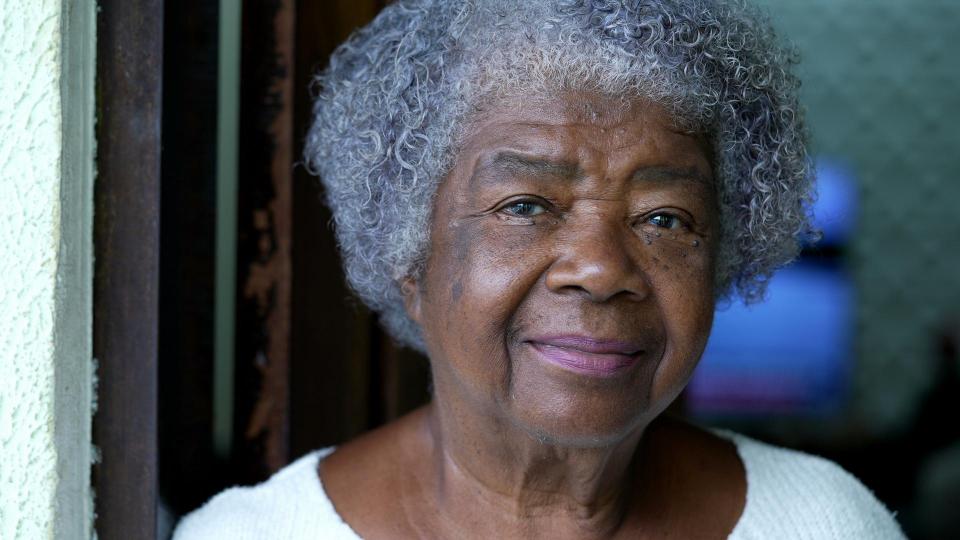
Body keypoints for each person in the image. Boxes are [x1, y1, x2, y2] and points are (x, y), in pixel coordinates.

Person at [175, 1, 905, 538]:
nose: (599, 268)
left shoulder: (822, 523)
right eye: (525, 205)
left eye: (664, 218)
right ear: (408, 259)